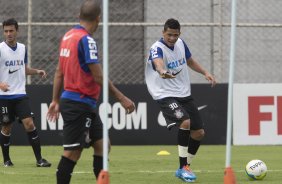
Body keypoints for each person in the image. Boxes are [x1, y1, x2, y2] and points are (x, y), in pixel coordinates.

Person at [47, 0, 135, 183]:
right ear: (98, 18)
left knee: (103, 145)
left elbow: (58, 72)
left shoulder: (67, 36)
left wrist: (55, 100)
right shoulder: (86, 40)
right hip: (78, 102)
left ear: (79, 16)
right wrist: (121, 98)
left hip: (82, 103)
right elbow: (98, 77)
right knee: (72, 153)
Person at [145, 18, 216, 182]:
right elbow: (159, 64)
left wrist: (205, 72)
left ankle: (185, 167)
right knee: (185, 122)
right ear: (163, 32)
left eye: (175, 35)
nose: (172, 38)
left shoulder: (181, 43)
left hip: (183, 93)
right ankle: (183, 168)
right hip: (164, 93)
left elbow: (189, 60)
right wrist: (163, 72)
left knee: (199, 133)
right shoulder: (157, 48)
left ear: (179, 34)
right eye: (169, 34)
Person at [0, 18, 51, 167]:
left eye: (11, 31)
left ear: (17, 31)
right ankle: (7, 161)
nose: (8, 34)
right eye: (6, 31)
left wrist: (37, 72)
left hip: (20, 94)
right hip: (4, 96)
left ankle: (39, 160)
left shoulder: (22, 48)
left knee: (29, 124)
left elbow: (23, 68)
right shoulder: (0, 48)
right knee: (6, 127)